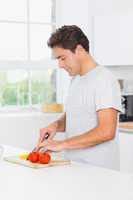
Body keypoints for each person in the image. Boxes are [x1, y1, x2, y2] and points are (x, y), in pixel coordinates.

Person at [36, 25, 122, 170]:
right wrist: (55, 126)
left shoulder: (104, 79)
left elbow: (107, 131)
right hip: (74, 167)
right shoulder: (76, 79)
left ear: (79, 50)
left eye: (63, 58)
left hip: (99, 172)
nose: (60, 65)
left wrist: (61, 144)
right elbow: (76, 114)